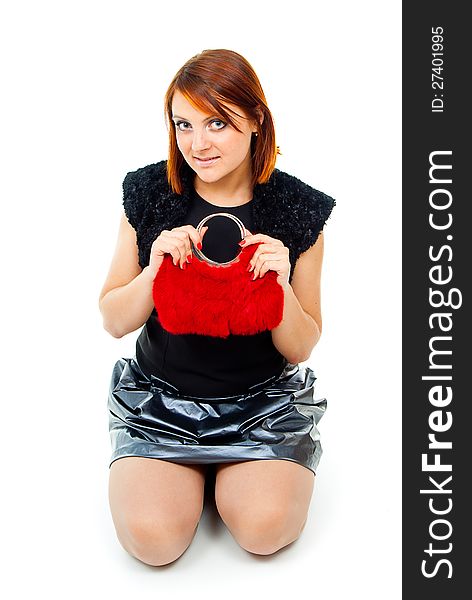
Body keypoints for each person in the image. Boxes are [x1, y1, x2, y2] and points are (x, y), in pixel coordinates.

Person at [98, 48, 335, 566]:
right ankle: (183, 480)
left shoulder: (298, 211)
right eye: (183, 124)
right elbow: (114, 318)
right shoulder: (149, 194)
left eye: (217, 123)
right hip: (162, 404)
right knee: (153, 542)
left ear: (255, 120)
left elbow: (301, 346)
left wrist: (282, 285)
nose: (197, 144)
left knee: (264, 530)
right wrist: (154, 268)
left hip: (260, 406)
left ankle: (229, 478)